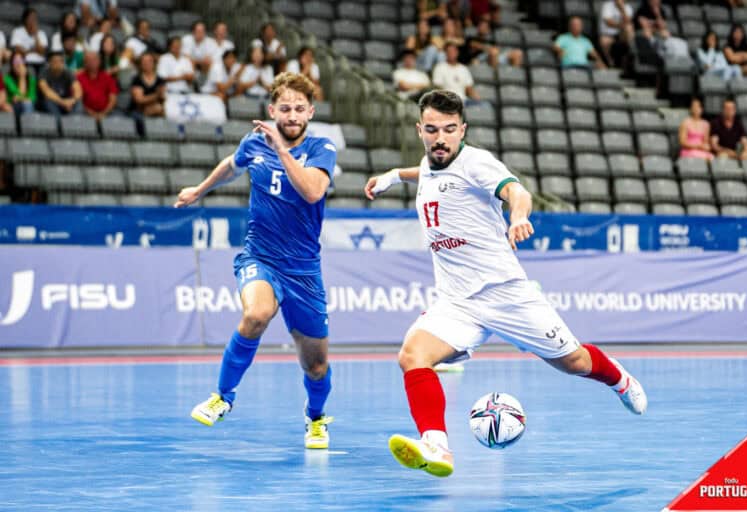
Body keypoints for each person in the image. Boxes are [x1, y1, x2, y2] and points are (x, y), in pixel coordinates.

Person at [364, 89, 647, 477]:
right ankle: (437, 446)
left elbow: (517, 190)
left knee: (573, 362)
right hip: (457, 302)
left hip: (507, 295)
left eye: (449, 130)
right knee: (412, 356)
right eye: (432, 130)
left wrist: (517, 217)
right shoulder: (433, 161)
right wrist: (393, 177)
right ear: (420, 130)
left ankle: (617, 377)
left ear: (462, 129)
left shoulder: (478, 163)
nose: (441, 138)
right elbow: (427, 171)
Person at [179, 72, 338, 450]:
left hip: (303, 271)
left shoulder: (322, 148)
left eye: (300, 108)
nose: (293, 114)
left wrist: (281, 150)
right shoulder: (254, 142)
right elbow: (232, 165)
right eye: (285, 108)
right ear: (272, 110)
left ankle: (315, 419)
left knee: (315, 365)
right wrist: (200, 190)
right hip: (259, 256)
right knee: (255, 315)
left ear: (311, 112)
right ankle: (223, 396)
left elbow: (314, 191)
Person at [39, 51, 83, 117]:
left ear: (63, 63)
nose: (58, 64)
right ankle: (58, 125)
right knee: (49, 102)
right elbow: (47, 92)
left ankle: (74, 123)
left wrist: (72, 100)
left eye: (60, 61)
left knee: (79, 103)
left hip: (66, 101)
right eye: (55, 61)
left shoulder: (68, 72)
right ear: (50, 63)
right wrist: (62, 102)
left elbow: (78, 89)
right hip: (51, 100)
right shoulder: (44, 73)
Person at [77, 51, 118, 121]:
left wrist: (104, 113)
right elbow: (78, 100)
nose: (92, 62)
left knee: (120, 120)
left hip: (107, 112)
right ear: (85, 63)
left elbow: (113, 99)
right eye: (89, 60)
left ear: (99, 62)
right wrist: (91, 114)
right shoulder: (79, 78)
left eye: (95, 59)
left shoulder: (107, 77)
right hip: (84, 112)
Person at [599, 0, 634, 67]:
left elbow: (628, 22)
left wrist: (622, 9)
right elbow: (608, 22)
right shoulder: (607, 5)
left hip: (621, 34)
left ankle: (630, 58)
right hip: (608, 34)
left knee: (629, 28)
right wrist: (620, 26)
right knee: (604, 40)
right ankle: (611, 63)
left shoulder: (628, 7)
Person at [130, 52, 165, 117]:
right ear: (140, 64)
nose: (147, 63)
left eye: (149, 61)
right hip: (139, 110)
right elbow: (139, 100)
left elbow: (162, 97)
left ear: (154, 63)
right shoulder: (137, 79)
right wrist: (156, 95)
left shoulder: (160, 80)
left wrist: (153, 98)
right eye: (144, 61)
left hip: (156, 107)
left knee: (160, 109)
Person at [4, 50, 36, 116]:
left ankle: (28, 126)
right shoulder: (7, 79)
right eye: (16, 62)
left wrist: (21, 98)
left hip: (28, 105)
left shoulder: (31, 79)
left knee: (28, 104)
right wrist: (22, 77)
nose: (19, 65)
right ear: (11, 65)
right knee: (26, 104)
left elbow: (32, 97)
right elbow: (17, 95)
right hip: (12, 106)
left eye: (21, 61)